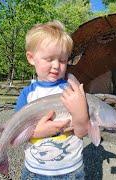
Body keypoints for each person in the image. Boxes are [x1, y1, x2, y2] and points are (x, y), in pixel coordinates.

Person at [15, 20, 90, 179]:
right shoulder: (27, 95)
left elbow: (82, 132)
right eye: (49, 59)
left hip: (70, 171)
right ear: (31, 58)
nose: (56, 66)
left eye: (62, 60)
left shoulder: (72, 89)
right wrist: (38, 132)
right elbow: (16, 133)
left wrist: (81, 113)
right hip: (35, 171)